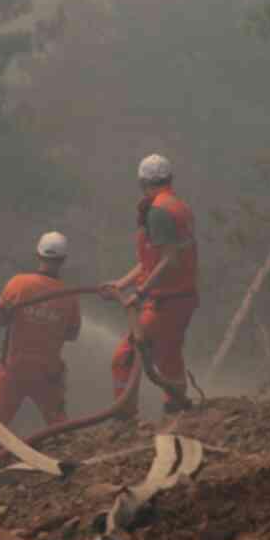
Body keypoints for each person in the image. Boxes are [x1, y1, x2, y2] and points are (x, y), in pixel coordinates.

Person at [99, 153, 198, 418]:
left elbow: (168, 260)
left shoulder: (158, 212)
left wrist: (140, 292)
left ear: (142, 181)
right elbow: (151, 260)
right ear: (170, 179)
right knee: (169, 354)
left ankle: (124, 416)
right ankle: (176, 409)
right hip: (183, 297)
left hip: (165, 300)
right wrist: (122, 284)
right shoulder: (178, 207)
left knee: (125, 357)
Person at [0, 231, 82, 430]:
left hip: (12, 371)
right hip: (47, 374)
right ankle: (64, 459)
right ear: (63, 260)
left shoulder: (18, 284)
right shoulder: (69, 296)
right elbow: (72, 335)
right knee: (60, 430)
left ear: (38, 255)